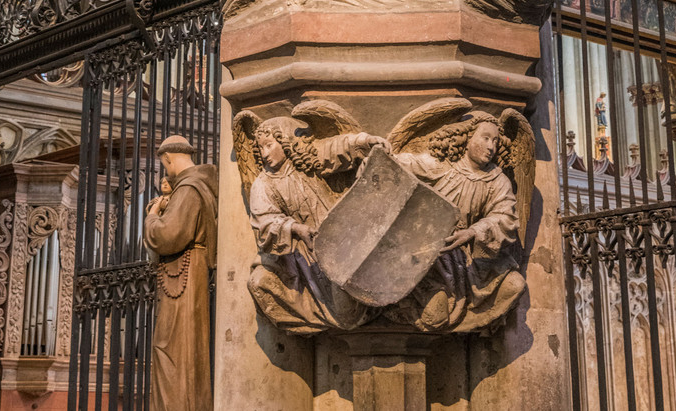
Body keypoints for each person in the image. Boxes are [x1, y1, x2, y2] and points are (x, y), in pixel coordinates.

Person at [246, 117, 390, 333]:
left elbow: (336, 148)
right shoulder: (263, 184)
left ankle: (376, 303)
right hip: (304, 255)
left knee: (349, 309)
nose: (265, 154)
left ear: (284, 142)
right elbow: (265, 221)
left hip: (341, 240)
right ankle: (310, 313)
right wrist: (295, 228)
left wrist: (366, 141)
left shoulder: (305, 160)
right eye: (261, 148)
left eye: (269, 145)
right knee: (260, 283)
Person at [390, 111, 525, 332]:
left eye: (495, 141)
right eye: (485, 138)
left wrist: (474, 232)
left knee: (515, 284)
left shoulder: (496, 179)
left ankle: (470, 321)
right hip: (426, 251)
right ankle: (403, 306)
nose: (491, 147)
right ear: (466, 138)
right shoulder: (442, 166)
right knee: (435, 314)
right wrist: (382, 155)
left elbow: (506, 217)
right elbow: (405, 163)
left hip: (466, 256)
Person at [143, 137, 218, 411]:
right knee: (186, 348)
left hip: (183, 270)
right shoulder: (201, 186)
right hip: (190, 268)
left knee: (172, 348)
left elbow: (168, 235)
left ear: (167, 159)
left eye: (164, 166)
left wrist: (152, 216)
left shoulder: (188, 189)